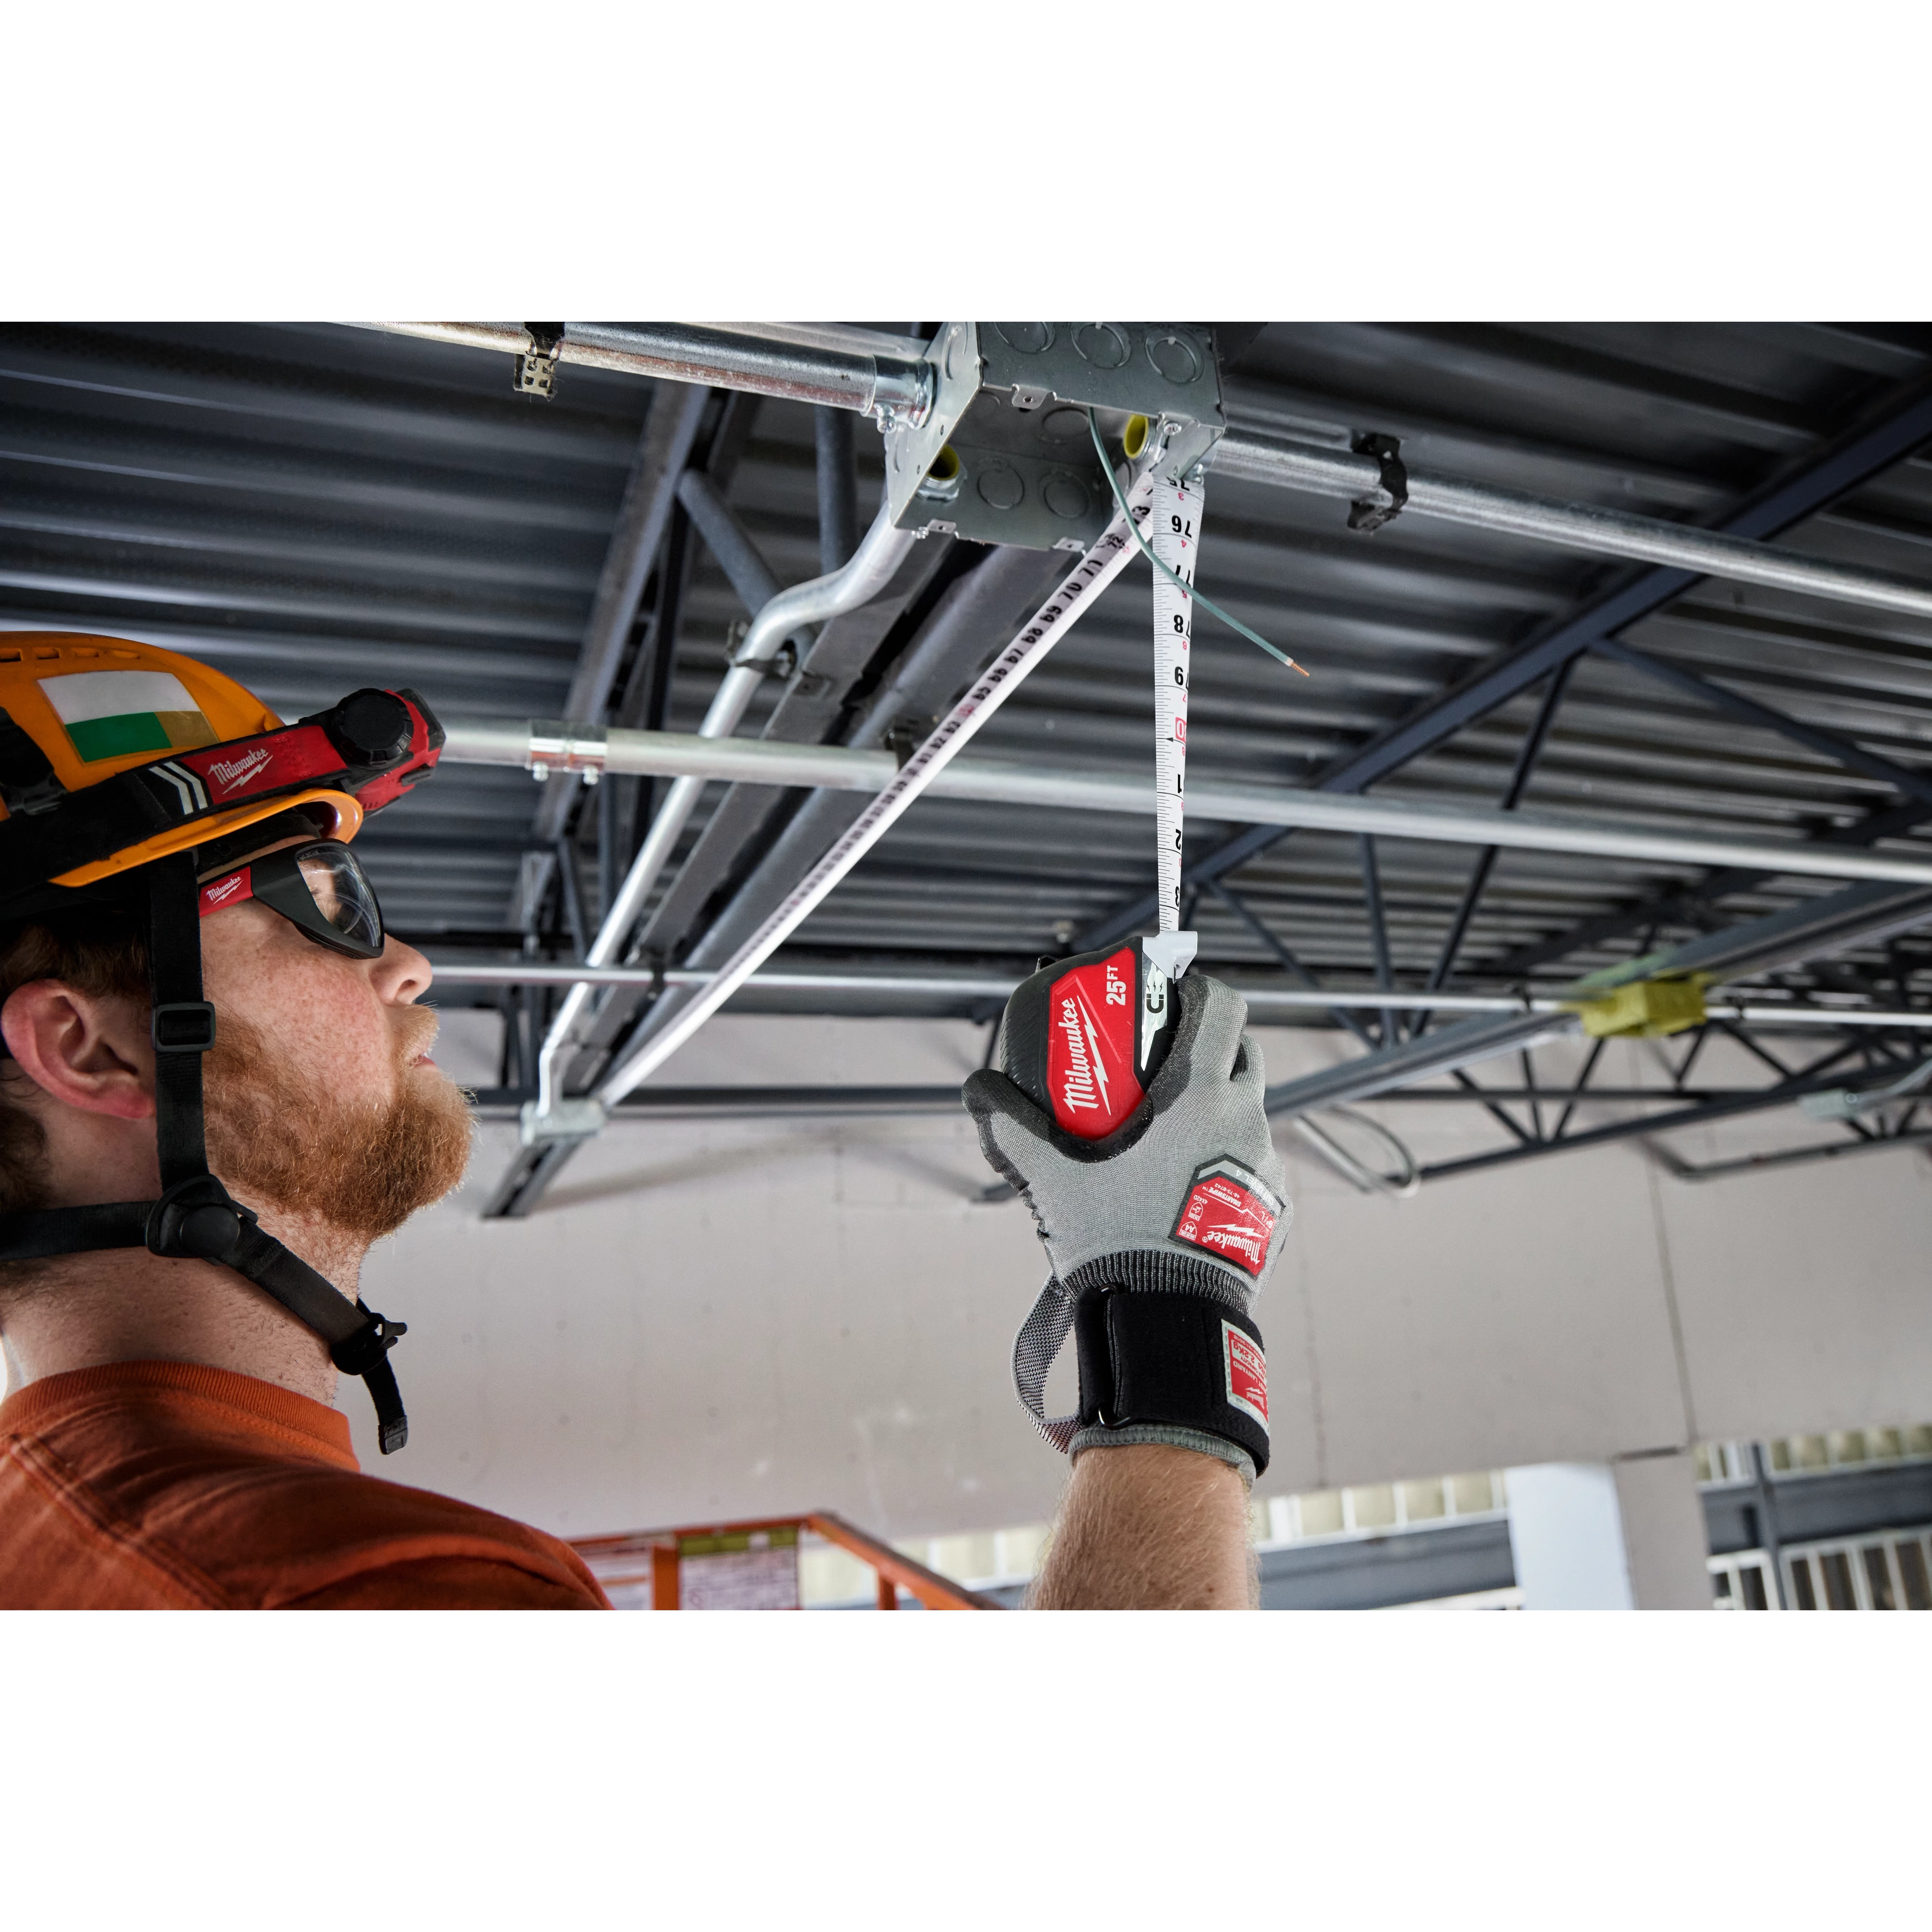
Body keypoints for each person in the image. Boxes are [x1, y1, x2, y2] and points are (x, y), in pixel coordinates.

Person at [1, 632, 1282, 1611]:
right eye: (324, 898)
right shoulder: (362, 1584)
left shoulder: (63, 1527)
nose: (406, 966)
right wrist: (1169, 1309)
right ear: (91, 1044)